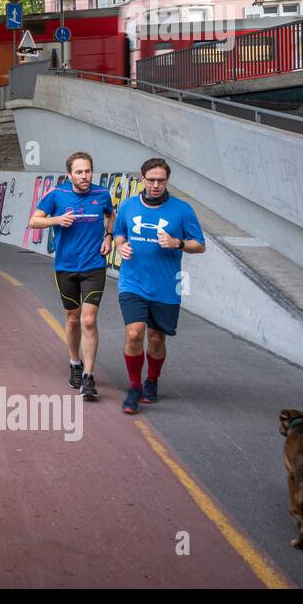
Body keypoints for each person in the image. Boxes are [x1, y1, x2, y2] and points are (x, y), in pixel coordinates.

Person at [112, 158, 205, 414]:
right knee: (134, 333)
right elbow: (119, 232)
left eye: (161, 181)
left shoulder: (182, 210)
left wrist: (178, 243)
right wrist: (120, 245)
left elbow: (200, 244)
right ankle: (133, 387)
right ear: (142, 179)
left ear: (167, 181)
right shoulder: (129, 206)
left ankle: (151, 380)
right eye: (151, 180)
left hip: (166, 285)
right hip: (133, 282)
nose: (155, 185)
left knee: (156, 338)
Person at [28, 151, 113, 401]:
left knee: (88, 320)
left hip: (94, 266)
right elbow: (34, 221)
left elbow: (110, 216)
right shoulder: (57, 195)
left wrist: (108, 237)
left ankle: (88, 376)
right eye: (79, 172)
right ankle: (75, 362)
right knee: (73, 319)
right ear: (69, 174)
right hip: (65, 267)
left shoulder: (102, 194)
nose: (84, 176)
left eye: (88, 171)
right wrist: (56, 219)